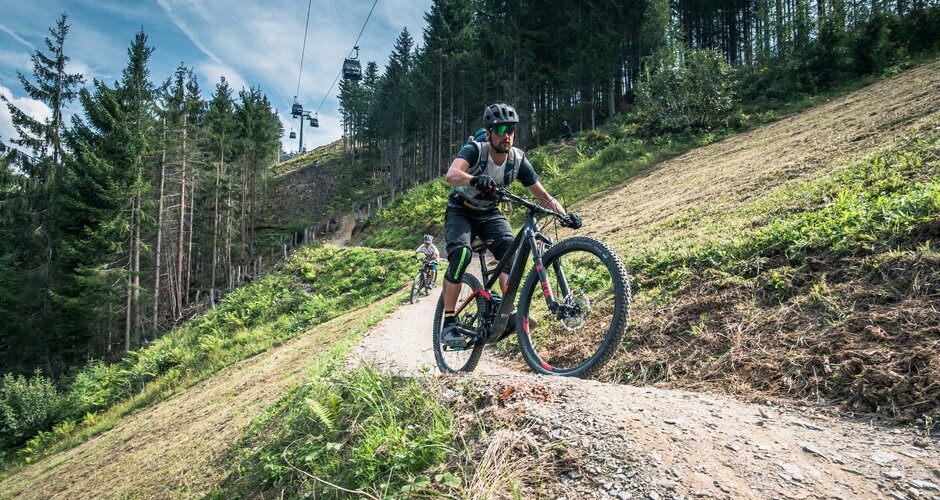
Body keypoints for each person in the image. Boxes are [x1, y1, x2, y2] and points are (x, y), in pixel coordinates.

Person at [440, 103, 582, 348]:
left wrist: (564, 216)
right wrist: (475, 179)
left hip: (489, 213)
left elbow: (543, 196)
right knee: (462, 254)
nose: (507, 134)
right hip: (461, 210)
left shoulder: (517, 159)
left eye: (511, 129)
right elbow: (451, 175)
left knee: (511, 252)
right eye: (501, 129)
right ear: (489, 133)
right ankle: (449, 322)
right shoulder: (475, 149)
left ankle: (507, 312)